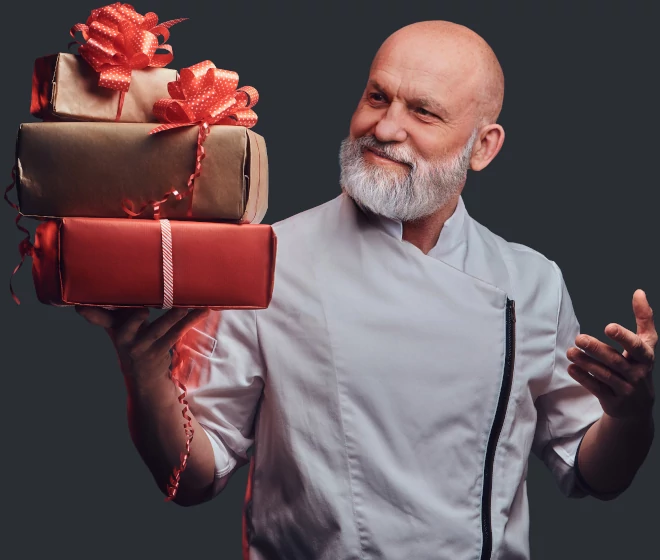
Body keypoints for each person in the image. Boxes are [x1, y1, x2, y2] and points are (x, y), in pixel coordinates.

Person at [77, 20, 656, 560]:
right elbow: (194, 478)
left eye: (423, 112)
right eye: (377, 97)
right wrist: (145, 375)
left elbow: (591, 472)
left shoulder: (532, 283)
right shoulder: (265, 258)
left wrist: (630, 417)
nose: (383, 129)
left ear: (483, 146)